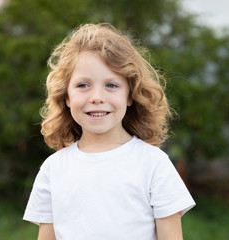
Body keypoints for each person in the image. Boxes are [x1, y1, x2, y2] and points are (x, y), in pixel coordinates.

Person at [23, 23, 195, 240]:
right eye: (83, 85)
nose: (97, 97)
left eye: (111, 85)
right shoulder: (53, 169)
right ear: (66, 96)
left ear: (130, 95)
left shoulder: (153, 164)